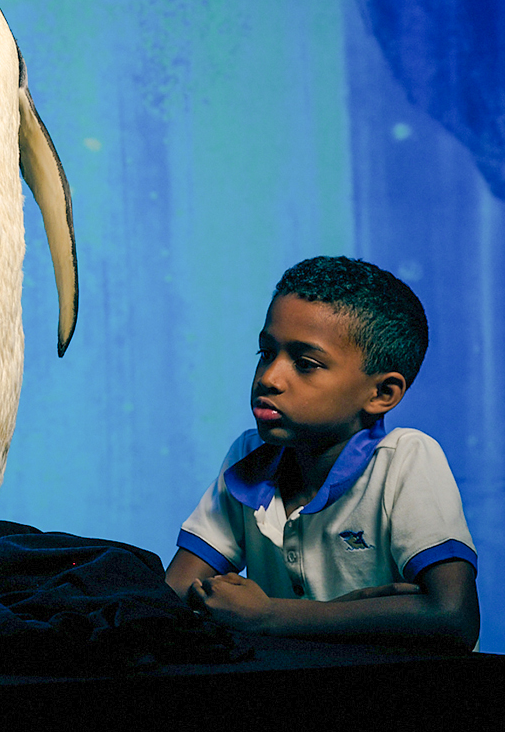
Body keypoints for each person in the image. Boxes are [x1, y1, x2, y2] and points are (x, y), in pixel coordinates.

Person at [164, 256, 479, 650]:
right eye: (266, 353)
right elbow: (172, 594)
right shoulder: (250, 456)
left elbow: (453, 617)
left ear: (382, 394)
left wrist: (268, 615)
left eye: (305, 363)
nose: (269, 378)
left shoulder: (404, 459)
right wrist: (355, 611)